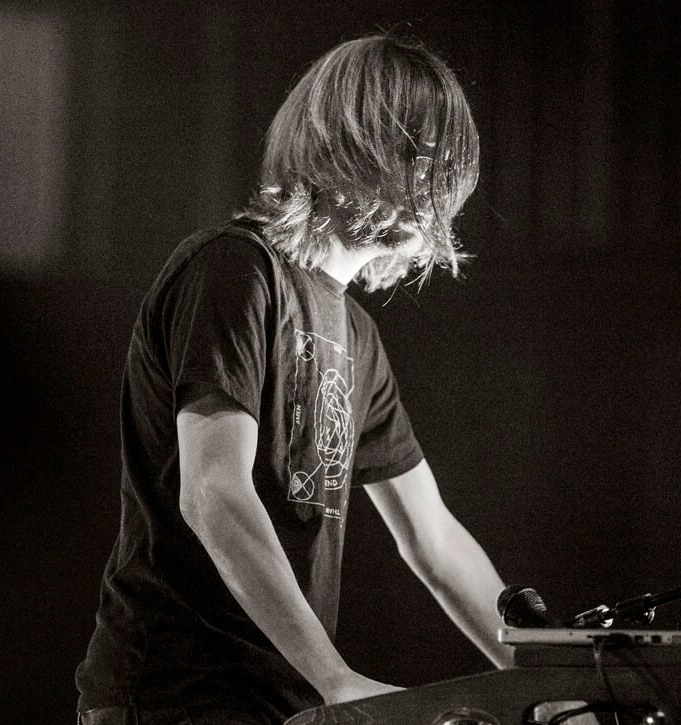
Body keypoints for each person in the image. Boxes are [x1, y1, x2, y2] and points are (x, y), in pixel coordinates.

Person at [75, 35, 514, 724]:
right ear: (357, 145)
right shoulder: (233, 270)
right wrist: (334, 677)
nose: (437, 185)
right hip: (175, 694)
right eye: (421, 156)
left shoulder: (357, 336)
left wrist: (551, 677)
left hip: (279, 702)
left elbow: (435, 541)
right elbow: (213, 491)